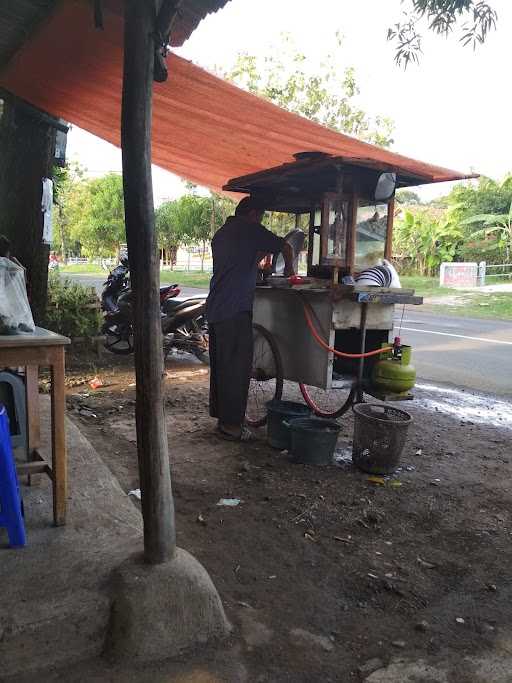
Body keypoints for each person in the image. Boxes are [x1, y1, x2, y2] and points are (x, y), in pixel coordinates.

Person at [206, 197, 295, 441]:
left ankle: (223, 420)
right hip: (234, 310)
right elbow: (286, 247)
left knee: (222, 367)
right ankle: (232, 427)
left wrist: (257, 258)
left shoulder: (223, 233)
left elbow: (240, 261)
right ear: (254, 214)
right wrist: (290, 270)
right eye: (261, 217)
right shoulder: (249, 229)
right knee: (236, 368)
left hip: (216, 307)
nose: (261, 222)